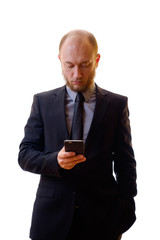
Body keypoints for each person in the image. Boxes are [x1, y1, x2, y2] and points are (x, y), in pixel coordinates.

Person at [18, 30, 137, 240]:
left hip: (103, 220)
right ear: (59, 60)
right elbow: (25, 155)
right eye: (69, 65)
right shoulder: (42, 102)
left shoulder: (117, 105)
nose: (77, 74)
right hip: (50, 219)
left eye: (85, 64)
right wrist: (55, 160)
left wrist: (126, 211)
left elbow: (125, 162)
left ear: (97, 60)